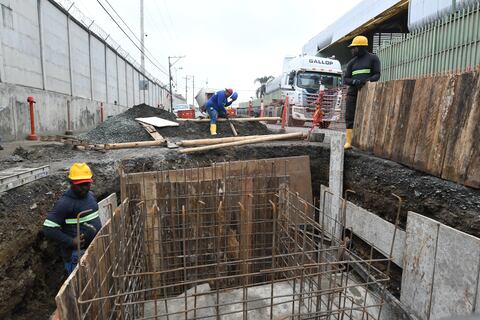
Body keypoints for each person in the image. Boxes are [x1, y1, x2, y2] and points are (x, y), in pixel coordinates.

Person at [43, 163, 101, 275]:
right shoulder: (65, 203)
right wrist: (71, 241)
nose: (84, 188)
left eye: (87, 184)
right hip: (77, 256)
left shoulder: (91, 195)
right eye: (80, 185)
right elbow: (48, 228)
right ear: (71, 183)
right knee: (81, 289)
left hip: (94, 248)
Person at [343, 35, 381, 149]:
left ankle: (367, 141)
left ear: (361, 47)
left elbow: (377, 74)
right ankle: (349, 141)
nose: (352, 50)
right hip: (353, 92)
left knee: (368, 115)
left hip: (368, 92)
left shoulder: (373, 58)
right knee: (349, 116)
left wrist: (366, 81)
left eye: (354, 47)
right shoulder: (351, 63)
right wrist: (355, 81)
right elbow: (346, 79)